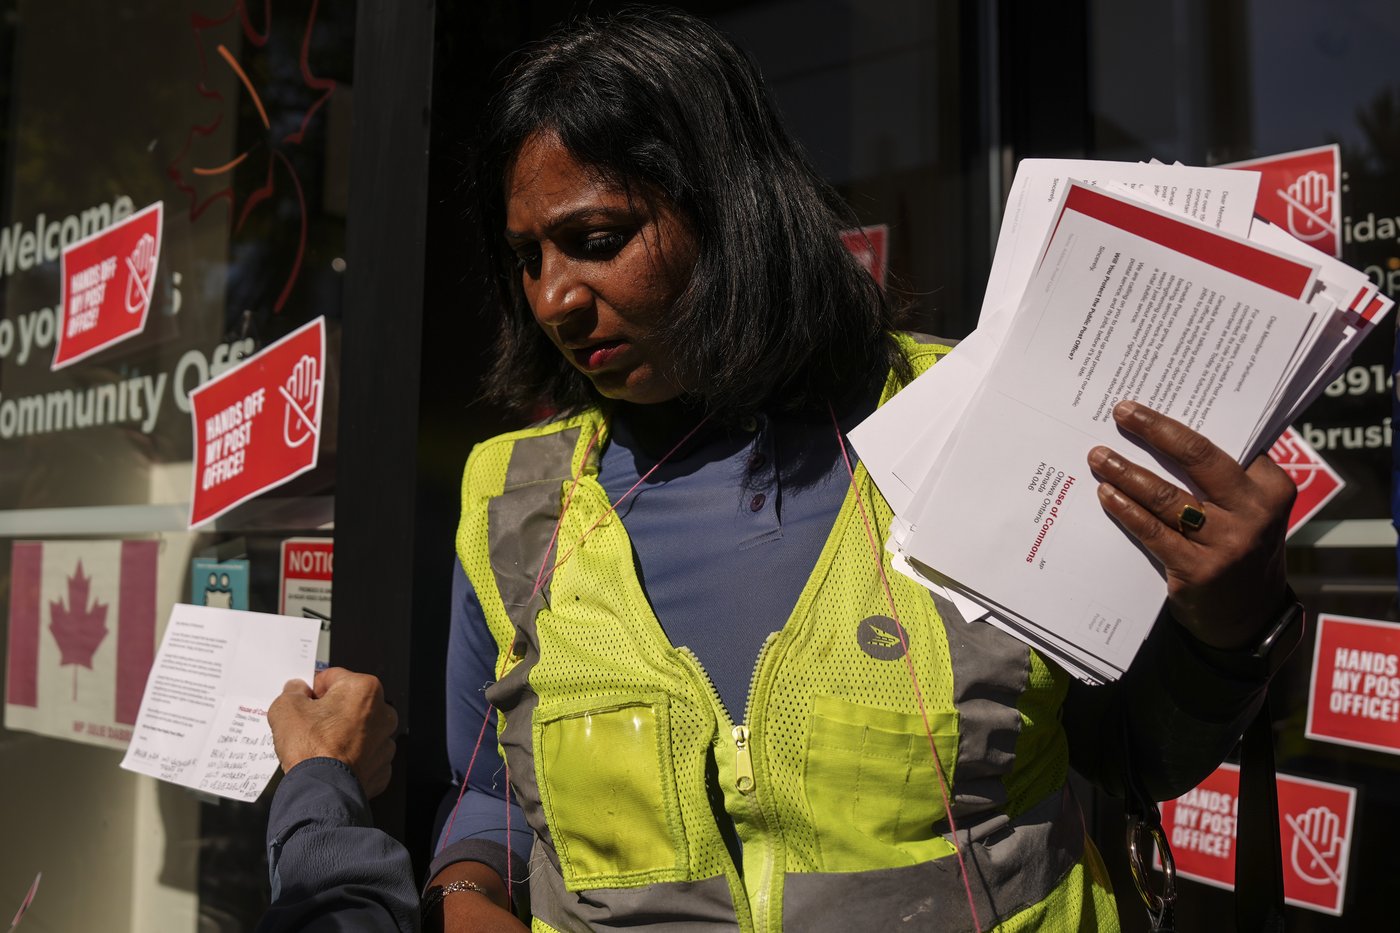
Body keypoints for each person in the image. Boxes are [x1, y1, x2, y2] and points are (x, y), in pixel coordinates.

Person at [261, 7, 1300, 931]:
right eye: (528, 256)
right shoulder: (513, 502)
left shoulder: (969, 423)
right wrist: (463, 893)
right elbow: (487, 798)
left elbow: (1125, 752)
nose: (551, 299)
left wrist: (1223, 623)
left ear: (729, 208)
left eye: (596, 239)